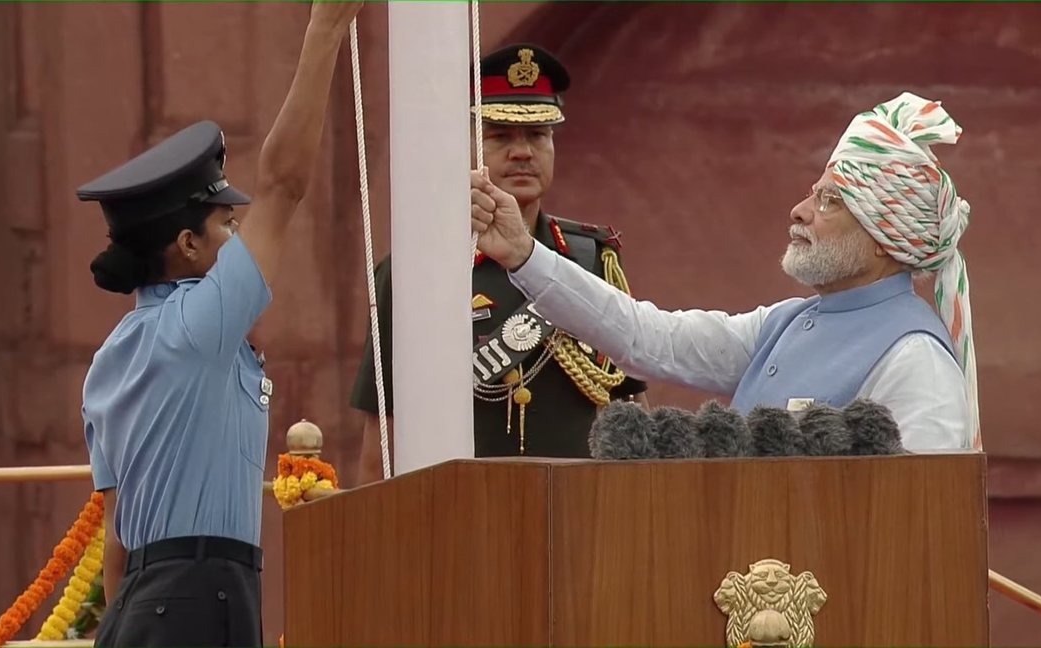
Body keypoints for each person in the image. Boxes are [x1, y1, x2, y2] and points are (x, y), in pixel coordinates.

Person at [471, 91, 981, 452]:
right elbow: (646, 338)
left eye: (829, 201)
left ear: (884, 237)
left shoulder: (916, 360)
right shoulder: (783, 324)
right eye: (813, 193)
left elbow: (914, 527)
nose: (799, 211)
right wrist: (524, 253)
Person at [77, 2, 362, 646]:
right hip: (199, 597)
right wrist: (326, 29)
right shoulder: (198, 326)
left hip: (147, 605)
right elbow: (284, 185)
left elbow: (118, 538)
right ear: (187, 245)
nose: (239, 235)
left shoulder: (112, 355)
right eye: (226, 225)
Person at [352, 44, 648, 482]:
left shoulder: (592, 259)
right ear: (468, 148)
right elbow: (383, 437)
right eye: (500, 136)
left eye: (538, 136)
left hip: (581, 506)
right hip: (464, 504)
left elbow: (631, 408)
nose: (522, 152)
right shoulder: (416, 273)